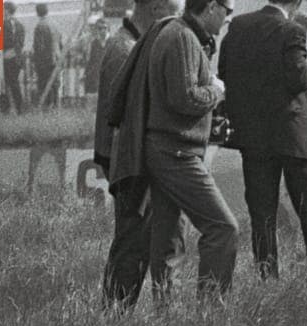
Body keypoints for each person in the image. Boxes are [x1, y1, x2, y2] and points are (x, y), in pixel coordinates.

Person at [108, 0, 238, 300]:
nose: (227, 19)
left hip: (166, 149)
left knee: (168, 240)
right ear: (210, 8)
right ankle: (211, 315)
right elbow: (185, 99)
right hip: (176, 152)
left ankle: (167, 317)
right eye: (227, 12)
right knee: (223, 229)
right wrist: (215, 92)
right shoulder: (182, 37)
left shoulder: (175, 33)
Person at [218, 0, 307, 279]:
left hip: (252, 135)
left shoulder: (239, 26)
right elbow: (296, 80)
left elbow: (224, 71)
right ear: (295, 4)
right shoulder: (292, 30)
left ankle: (267, 281)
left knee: (262, 216)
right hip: (291, 132)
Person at [95, 0, 185, 309]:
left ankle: (127, 313)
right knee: (133, 244)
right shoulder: (126, 48)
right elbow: (122, 117)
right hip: (131, 162)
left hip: (131, 159)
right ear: (157, 9)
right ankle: (115, 315)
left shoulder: (131, 43)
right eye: (174, 13)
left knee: (147, 240)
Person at [33, 3, 63, 108]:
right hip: (56, 58)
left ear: (37, 12)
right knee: (55, 83)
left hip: (45, 60)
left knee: (44, 84)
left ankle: (47, 105)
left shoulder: (40, 26)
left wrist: (36, 61)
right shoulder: (55, 24)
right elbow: (60, 43)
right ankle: (56, 104)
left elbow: (39, 47)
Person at [1, 2, 25, 114]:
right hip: (17, 57)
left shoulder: (4, 24)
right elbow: (20, 42)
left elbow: (4, 42)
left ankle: (6, 109)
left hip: (6, 57)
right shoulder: (20, 24)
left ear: (7, 10)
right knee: (15, 83)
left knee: (5, 84)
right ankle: (19, 108)